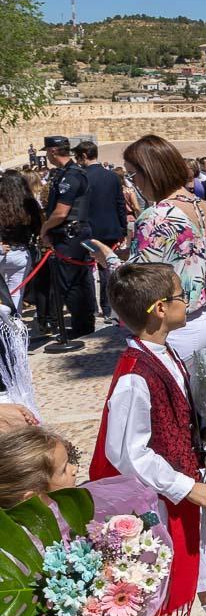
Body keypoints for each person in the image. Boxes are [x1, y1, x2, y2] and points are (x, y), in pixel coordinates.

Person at [89, 263, 206, 616]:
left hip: (181, 490)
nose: (187, 300)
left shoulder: (166, 352)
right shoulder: (134, 376)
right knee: (160, 595)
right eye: (180, 295)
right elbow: (129, 453)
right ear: (160, 309)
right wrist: (186, 487)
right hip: (158, 503)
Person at [90, 135, 206, 361]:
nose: (133, 183)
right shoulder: (203, 205)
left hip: (176, 326)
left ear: (151, 171)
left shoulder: (156, 216)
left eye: (133, 175)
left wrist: (108, 259)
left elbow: (140, 285)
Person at [39, 135, 95, 339]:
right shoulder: (67, 173)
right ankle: (84, 323)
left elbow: (61, 212)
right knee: (79, 280)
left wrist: (44, 229)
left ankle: (81, 326)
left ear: (53, 151)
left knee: (70, 282)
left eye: (47, 151)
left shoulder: (70, 176)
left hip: (70, 234)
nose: (46, 155)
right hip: (73, 233)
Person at [1, 172, 42, 418]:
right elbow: (38, 227)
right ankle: (12, 345)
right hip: (19, 254)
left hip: (2, 251)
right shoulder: (29, 205)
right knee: (13, 305)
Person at [73, 141, 127, 324]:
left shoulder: (80, 177)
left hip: (89, 230)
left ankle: (92, 308)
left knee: (88, 269)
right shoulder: (111, 176)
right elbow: (120, 203)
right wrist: (122, 228)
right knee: (107, 270)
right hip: (110, 229)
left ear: (83, 156)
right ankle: (108, 307)